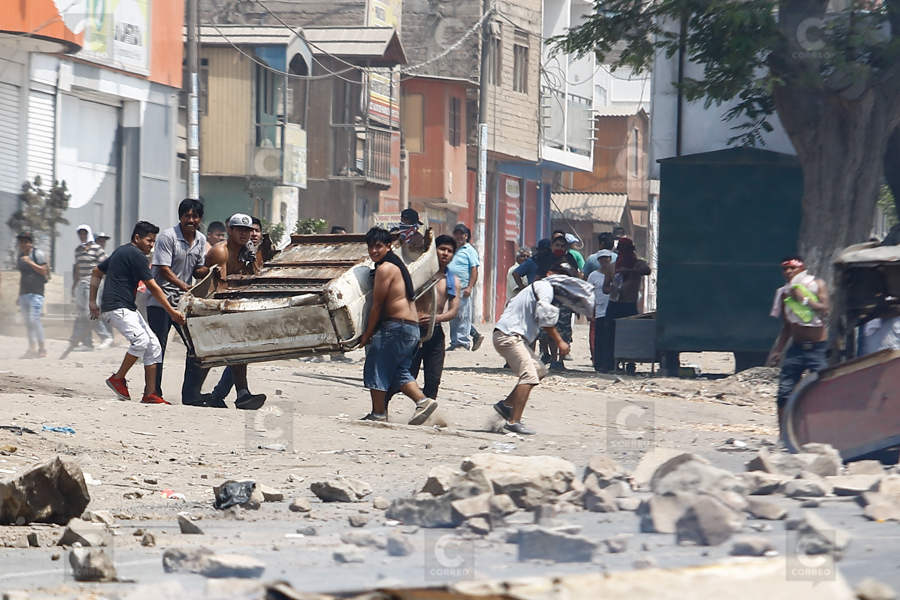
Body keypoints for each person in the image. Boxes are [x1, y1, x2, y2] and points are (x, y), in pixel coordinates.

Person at [89, 221, 185, 405]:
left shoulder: (121, 251)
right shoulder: (137, 255)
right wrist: (172, 311)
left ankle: (151, 394)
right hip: (118, 308)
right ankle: (118, 378)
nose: (152, 245)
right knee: (141, 341)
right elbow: (153, 287)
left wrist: (93, 302)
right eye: (149, 240)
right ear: (137, 238)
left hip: (125, 307)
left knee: (154, 346)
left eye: (154, 241)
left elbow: (96, 271)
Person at [184, 214, 268, 409]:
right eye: (240, 230)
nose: (245, 234)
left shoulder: (247, 252)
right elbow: (220, 286)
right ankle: (192, 394)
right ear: (230, 230)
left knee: (238, 349)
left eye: (248, 230)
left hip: (231, 305)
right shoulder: (221, 251)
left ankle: (242, 394)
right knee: (203, 352)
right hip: (210, 307)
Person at [358, 227, 438, 424]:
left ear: (388, 246)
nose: (374, 251)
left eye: (378, 246)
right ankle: (423, 402)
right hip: (410, 329)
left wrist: (367, 333)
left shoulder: (385, 268)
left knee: (375, 366)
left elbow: (377, 304)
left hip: (396, 327)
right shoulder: (397, 265)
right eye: (370, 247)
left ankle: (378, 414)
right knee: (397, 372)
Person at [492, 262, 575, 435]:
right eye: (559, 275)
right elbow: (545, 318)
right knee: (529, 375)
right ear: (550, 272)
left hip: (510, 336)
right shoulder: (545, 286)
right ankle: (514, 422)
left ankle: (507, 405)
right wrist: (560, 342)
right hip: (509, 336)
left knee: (539, 370)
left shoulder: (538, 289)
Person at [384, 234, 460, 407]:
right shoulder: (419, 273)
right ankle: (381, 409)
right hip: (412, 331)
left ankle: (427, 414)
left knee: (433, 380)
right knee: (403, 375)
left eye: (450, 251)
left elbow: (454, 311)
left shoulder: (452, 280)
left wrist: (436, 318)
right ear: (434, 250)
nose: (445, 254)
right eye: (442, 249)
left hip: (435, 333)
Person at [146, 198, 208, 402]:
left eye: (195, 216)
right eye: (187, 216)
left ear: (200, 219)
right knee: (159, 347)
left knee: (195, 346)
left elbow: (198, 270)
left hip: (183, 302)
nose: (191, 220)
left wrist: (213, 268)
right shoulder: (168, 237)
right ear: (180, 217)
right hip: (161, 301)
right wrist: (184, 286)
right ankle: (154, 392)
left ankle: (190, 395)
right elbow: (163, 269)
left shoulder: (200, 239)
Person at [767, 255, 830, 427]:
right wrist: (778, 350)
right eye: (785, 269)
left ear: (801, 269)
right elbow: (787, 325)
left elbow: (824, 308)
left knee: (823, 391)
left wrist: (804, 298)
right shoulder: (784, 293)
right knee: (784, 393)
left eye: (792, 268)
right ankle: (783, 436)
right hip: (797, 349)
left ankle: (823, 432)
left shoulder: (816, 284)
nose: (788, 272)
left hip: (817, 349)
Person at [601, 237, 651, 374]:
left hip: (629, 304)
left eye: (626, 250)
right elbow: (604, 288)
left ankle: (630, 363)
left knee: (630, 335)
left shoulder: (638, 264)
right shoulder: (612, 267)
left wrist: (628, 272)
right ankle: (610, 364)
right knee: (610, 335)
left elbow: (647, 270)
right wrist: (611, 289)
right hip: (614, 304)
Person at [67, 225, 113, 353]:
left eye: (84, 233)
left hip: (93, 283)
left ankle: (105, 336)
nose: (82, 236)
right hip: (82, 283)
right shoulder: (78, 250)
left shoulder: (96, 249)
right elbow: (77, 268)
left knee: (90, 311)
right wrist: (74, 285)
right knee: (82, 314)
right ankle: (87, 343)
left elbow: (106, 265)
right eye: (80, 234)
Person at [448, 224, 484, 351]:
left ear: (466, 236)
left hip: (463, 288)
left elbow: (474, 270)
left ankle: (463, 342)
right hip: (450, 287)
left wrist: (470, 287)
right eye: (456, 234)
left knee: (463, 315)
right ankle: (454, 342)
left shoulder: (470, 250)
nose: (458, 236)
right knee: (452, 315)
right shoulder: (452, 249)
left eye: (461, 234)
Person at [15, 232, 48, 359]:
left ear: (31, 243)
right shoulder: (19, 256)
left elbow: (43, 270)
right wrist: (19, 295)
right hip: (24, 294)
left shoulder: (37, 254)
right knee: (28, 322)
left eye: (25, 242)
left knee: (34, 319)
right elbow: (22, 277)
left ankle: (42, 348)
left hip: (36, 293)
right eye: (21, 242)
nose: (23, 244)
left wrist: (30, 262)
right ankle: (31, 349)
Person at [588, 250, 614, 372]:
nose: (604, 261)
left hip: (613, 309)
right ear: (598, 260)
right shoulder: (593, 275)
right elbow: (588, 294)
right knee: (599, 339)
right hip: (599, 311)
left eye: (606, 258)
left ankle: (610, 364)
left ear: (610, 258)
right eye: (601, 259)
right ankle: (598, 364)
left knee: (611, 339)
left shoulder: (615, 273)